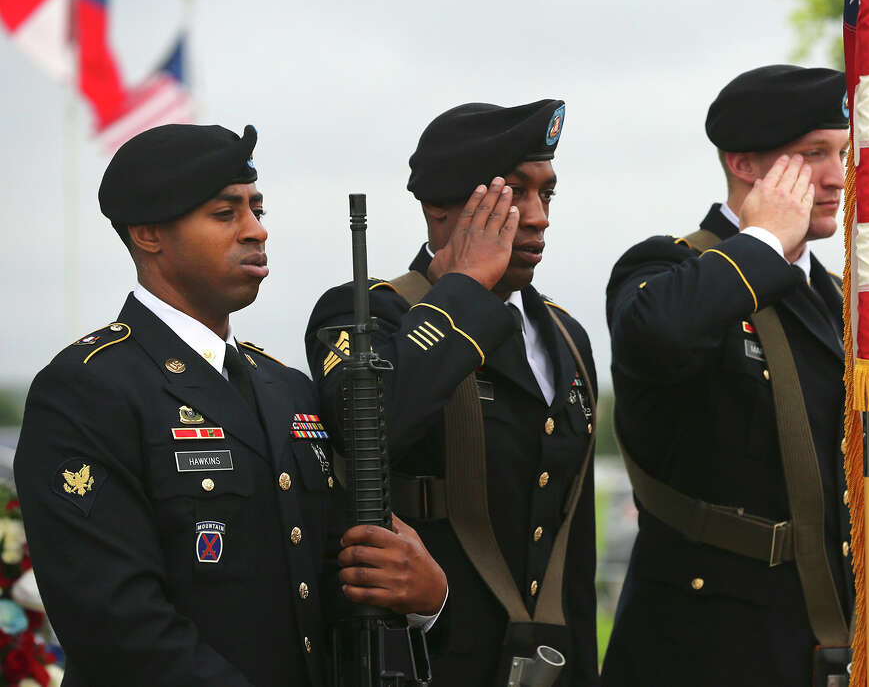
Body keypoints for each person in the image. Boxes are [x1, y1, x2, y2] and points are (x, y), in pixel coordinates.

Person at [15, 124, 447, 687]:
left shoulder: (285, 387)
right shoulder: (88, 388)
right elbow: (117, 627)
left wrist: (423, 597)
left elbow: (323, 585)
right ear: (148, 234)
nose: (256, 230)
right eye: (226, 214)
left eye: (257, 208)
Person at [306, 100, 599, 687]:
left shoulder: (567, 336)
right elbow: (373, 423)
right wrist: (465, 284)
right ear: (438, 206)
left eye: (548, 194)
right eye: (514, 193)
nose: (538, 216)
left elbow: (572, 544)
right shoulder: (364, 314)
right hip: (430, 663)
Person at [601, 65, 854, 686]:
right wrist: (765, 236)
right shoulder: (667, 268)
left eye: (843, 153)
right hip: (706, 645)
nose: (836, 175)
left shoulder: (840, 299)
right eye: (813, 154)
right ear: (743, 165)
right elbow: (661, 335)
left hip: (825, 636)